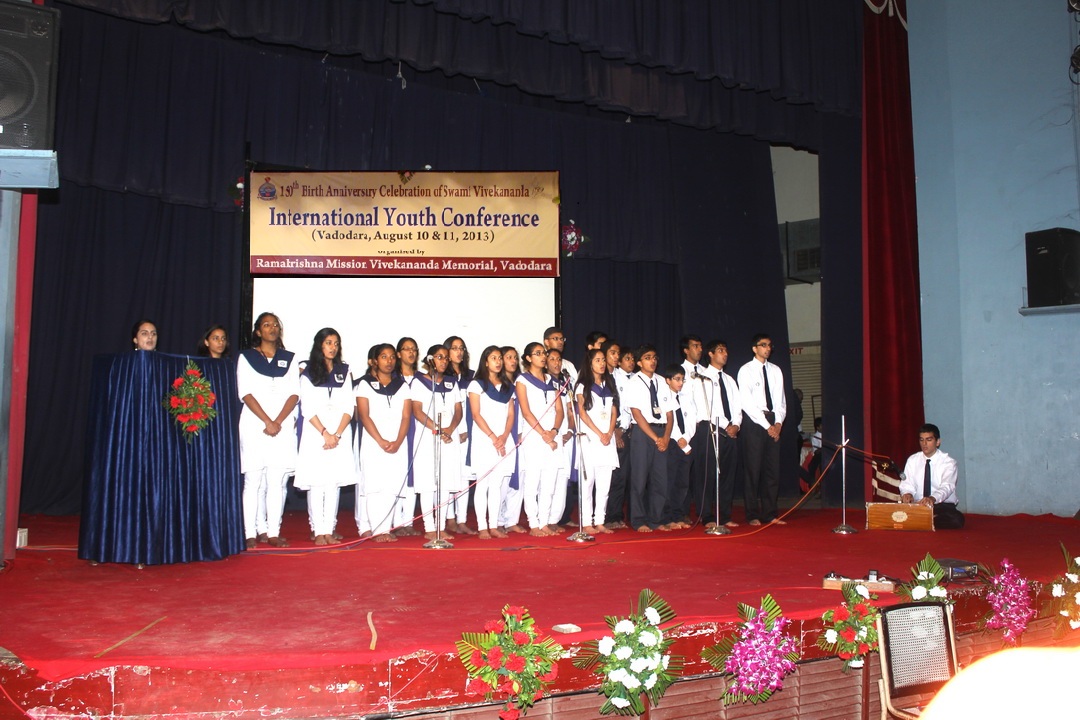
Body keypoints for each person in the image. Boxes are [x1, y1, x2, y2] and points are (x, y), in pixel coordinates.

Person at [237, 312, 299, 549]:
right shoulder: (247, 357)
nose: (272, 328)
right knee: (253, 480)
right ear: (258, 331)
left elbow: (294, 393)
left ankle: (273, 532)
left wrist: (278, 421)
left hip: (282, 425)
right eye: (266, 325)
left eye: (275, 325)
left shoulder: (289, 358)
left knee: (276, 481)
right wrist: (267, 421)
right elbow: (245, 392)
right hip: (255, 424)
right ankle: (250, 533)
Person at [293, 328, 355, 546]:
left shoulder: (344, 371)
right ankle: (318, 530)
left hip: (339, 434)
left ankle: (329, 529)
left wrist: (337, 434)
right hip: (316, 433)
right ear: (320, 345)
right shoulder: (308, 372)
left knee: (333, 482)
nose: (333, 347)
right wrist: (325, 433)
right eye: (328, 342)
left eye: (336, 343)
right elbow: (307, 407)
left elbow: (349, 406)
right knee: (317, 481)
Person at [355, 343, 412, 543]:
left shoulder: (402, 386)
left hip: (397, 442)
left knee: (391, 484)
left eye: (392, 357)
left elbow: (406, 416)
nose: (389, 361)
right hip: (374, 442)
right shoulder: (365, 384)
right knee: (374, 486)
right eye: (384, 357)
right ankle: (377, 529)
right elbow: (364, 415)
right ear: (375, 361)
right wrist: (380, 440)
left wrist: (398, 441)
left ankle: (386, 528)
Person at [410, 344, 463, 541]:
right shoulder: (419, 382)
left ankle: (441, 526)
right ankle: (429, 527)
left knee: (445, 482)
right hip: (428, 435)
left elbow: (458, 410)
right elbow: (417, 411)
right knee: (428, 482)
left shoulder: (451, 382)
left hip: (449, 436)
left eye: (446, 358)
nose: (444, 361)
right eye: (439, 357)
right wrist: (438, 429)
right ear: (430, 359)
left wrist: (450, 429)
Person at [514, 342, 565, 537]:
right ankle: (533, 523)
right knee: (533, 481)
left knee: (549, 482)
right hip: (534, 436)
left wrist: (554, 431)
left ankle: (544, 521)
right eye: (538, 353)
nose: (543, 357)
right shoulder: (522, 380)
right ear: (528, 358)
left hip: (552, 436)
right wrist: (544, 433)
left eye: (543, 353)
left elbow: (559, 410)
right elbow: (526, 412)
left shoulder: (552, 380)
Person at [466, 346, 516, 539]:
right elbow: (476, 414)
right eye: (493, 358)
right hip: (484, 439)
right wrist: (494, 437)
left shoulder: (507, 386)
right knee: (483, 484)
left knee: (496, 484)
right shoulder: (476, 385)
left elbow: (510, 414)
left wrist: (504, 436)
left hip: (503, 440)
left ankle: (494, 525)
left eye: (499, 358)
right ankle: (482, 527)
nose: (498, 361)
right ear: (485, 362)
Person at [737, 333, 787, 526]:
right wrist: (767, 426)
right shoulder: (746, 370)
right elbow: (747, 403)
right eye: (763, 345)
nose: (768, 349)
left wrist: (778, 424)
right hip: (755, 423)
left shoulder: (776, 370)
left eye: (769, 345)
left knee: (772, 470)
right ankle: (752, 514)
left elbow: (781, 400)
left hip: (773, 421)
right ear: (754, 348)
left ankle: (770, 513)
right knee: (753, 469)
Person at [622, 344, 672, 532]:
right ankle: (638, 520)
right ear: (639, 362)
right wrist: (655, 438)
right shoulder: (633, 382)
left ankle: (656, 519)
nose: (653, 361)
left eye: (655, 357)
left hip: (661, 432)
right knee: (639, 478)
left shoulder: (662, 382)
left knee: (660, 479)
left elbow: (669, 414)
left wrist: (665, 437)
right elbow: (637, 414)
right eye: (648, 357)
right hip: (643, 434)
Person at [697, 339, 742, 529]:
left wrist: (736, 425)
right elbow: (707, 407)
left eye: (726, 351)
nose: (725, 354)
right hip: (711, 430)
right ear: (711, 354)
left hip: (730, 433)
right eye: (721, 350)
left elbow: (737, 406)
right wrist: (726, 425)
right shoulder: (702, 378)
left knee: (727, 475)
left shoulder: (729, 380)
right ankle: (707, 515)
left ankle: (724, 515)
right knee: (708, 475)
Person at [575, 348, 619, 534]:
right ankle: (586, 522)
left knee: (604, 483)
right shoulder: (582, 386)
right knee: (588, 483)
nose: (602, 364)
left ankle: (600, 521)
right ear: (590, 363)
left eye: (603, 360)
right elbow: (582, 413)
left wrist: (609, 432)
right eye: (598, 360)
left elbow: (614, 410)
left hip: (607, 439)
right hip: (590, 439)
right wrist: (599, 433)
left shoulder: (609, 384)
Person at [900, 423, 965, 529]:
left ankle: (921, 520)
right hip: (918, 504)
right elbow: (907, 483)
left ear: (938, 442)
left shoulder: (948, 462)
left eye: (929, 440)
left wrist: (932, 498)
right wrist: (907, 493)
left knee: (956, 519)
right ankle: (925, 519)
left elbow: (947, 486)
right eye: (921, 440)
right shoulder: (912, 460)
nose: (924, 444)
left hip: (940, 505)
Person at [444, 335, 477, 535]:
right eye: (454, 348)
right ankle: (449, 519)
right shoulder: (442, 376)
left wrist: (467, 429)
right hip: (449, 430)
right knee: (449, 474)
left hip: (469, 430)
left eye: (461, 348)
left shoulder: (471, 376)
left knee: (464, 477)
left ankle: (462, 519)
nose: (459, 352)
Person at [393, 337, 422, 537]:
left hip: (418, 428)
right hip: (398, 428)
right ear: (398, 353)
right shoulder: (392, 378)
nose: (411, 353)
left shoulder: (422, 378)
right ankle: (396, 522)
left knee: (414, 473)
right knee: (398, 474)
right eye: (406, 349)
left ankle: (408, 521)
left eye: (414, 349)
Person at [679, 334, 709, 524]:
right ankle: (681, 511)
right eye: (695, 346)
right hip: (686, 428)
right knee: (684, 472)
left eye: (700, 346)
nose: (699, 349)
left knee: (703, 471)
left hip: (705, 427)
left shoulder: (706, 372)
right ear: (686, 350)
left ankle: (704, 510)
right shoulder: (680, 371)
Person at [606, 345, 637, 529]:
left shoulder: (631, 378)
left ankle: (622, 515)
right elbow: (614, 406)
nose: (617, 357)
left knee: (626, 477)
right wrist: (617, 428)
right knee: (615, 477)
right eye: (614, 353)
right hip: (614, 430)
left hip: (629, 430)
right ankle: (610, 516)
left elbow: (629, 406)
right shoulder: (610, 377)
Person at [660, 363, 693, 530]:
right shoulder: (664, 396)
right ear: (668, 380)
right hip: (672, 442)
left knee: (682, 482)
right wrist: (680, 439)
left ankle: (678, 515)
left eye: (682, 379)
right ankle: (666, 517)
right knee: (669, 481)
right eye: (677, 379)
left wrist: (686, 438)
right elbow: (669, 421)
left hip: (686, 442)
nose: (680, 383)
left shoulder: (686, 397)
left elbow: (692, 419)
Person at [497, 345, 525, 532]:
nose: (513, 361)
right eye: (508, 357)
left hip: (522, 433)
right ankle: (498, 520)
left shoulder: (522, 382)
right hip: (504, 434)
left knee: (519, 476)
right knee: (502, 478)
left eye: (515, 357)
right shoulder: (496, 384)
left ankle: (512, 520)